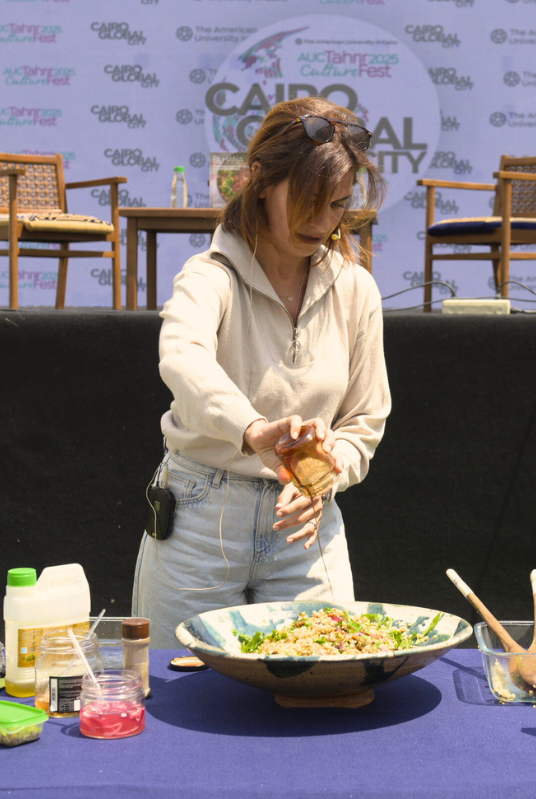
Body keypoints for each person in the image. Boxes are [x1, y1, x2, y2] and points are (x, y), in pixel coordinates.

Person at [132, 97, 391, 648]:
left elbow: (365, 419)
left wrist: (322, 475)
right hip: (199, 521)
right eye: (308, 202)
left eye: (338, 205)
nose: (323, 222)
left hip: (306, 524)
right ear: (260, 181)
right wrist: (253, 430)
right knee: (184, 699)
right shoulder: (209, 276)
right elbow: (182, 356)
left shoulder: (357, 289)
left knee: (324, 686)